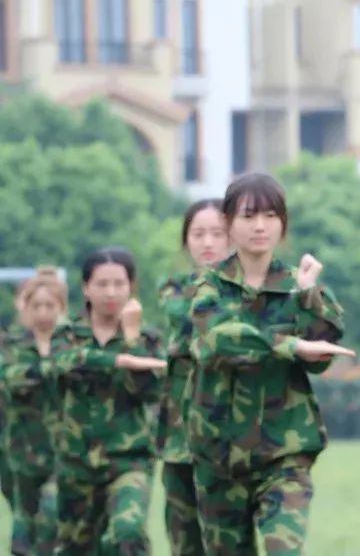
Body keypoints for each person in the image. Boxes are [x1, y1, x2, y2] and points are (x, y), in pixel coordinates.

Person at [188, 172, 355, 555]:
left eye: (269, 215)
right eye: (248, 216)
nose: (259, 226)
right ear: (229, 224)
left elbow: (324, 350)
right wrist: (288, 345)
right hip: (219, 451)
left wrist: (310, 295)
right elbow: (219, 339)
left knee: (285, 549)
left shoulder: (299, 284)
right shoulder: (208, 286)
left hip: (285, 450)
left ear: (283, 223)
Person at [51, 247, 166, 555]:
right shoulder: (67, 333)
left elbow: (152, 392)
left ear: (132, 287)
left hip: (129, 459)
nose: (111, 292)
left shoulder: (148, 339)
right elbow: (62, 363)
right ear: (86, 288)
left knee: (127, 534)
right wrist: (119, 360)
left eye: (119, 283)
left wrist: (131, 341)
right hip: (77, 463)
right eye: (101, 284)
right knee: (75, 547)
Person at [157, 199, 227, 555]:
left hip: (231, 439)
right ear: (186, 241)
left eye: (218, 233)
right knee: (184, 541)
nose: (208, 242)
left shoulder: (252, 292)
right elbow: (192, 323)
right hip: (180, 440)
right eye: (198, 234)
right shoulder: (175, 291)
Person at [0, 268, 67, 554]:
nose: (42, 312)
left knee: (51, 518)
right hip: (20, 456)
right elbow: (12, 378)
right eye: (35, 305)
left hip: (66, 455)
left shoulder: (74, 346)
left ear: (62, 308)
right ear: (23, 308)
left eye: (49, 305)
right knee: (23, 534)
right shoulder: (11, 348)